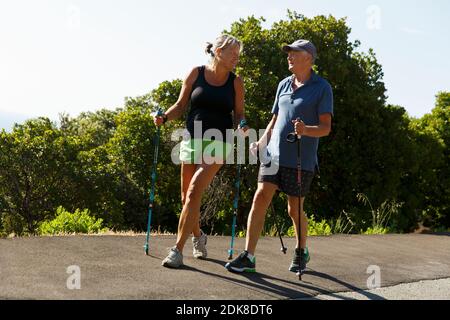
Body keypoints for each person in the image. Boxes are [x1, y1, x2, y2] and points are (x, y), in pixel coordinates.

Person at [225, 39, 333, 274]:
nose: (289, 57)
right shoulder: (283, 84)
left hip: (300, 160)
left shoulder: (322, 87)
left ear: (308, 58)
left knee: (294, 209)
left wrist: (306, 131)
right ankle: (249, 257)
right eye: (289, 53)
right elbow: (274, 119)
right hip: (273, 155)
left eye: (294, 53)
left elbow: (325, 128)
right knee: (260, 197)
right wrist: (262, 142)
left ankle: (301, 250)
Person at [153, 34, 248, 269]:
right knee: (186, 197)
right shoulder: (195, 73)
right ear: (218, 52)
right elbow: (180, 106)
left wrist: (242, 124)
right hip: (191, 138)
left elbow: (239, 113)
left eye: (238, 54)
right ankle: (199, 236)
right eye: (232, 53)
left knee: (195, 190)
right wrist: (164, 117)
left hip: (219, 142)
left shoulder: (236, 82)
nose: (236, 57)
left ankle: (177, 250)